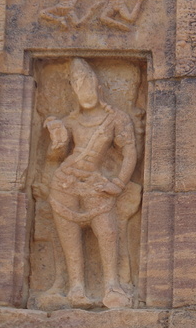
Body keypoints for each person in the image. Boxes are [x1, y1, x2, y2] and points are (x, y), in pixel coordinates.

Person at [45, 58, 137, 309]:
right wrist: (57, 139)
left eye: (87, 83)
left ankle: (112, 285)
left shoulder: (116, 119)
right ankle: (76, 287)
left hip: (95, 183)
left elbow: (129, 152)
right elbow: (55, 157)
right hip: (64, 183)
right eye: (78, 85)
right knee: (70, 237)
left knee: (107, 231)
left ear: (99, 87)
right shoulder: (71, 121)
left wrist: (119, 183)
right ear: (73, 91)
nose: (84, 89)